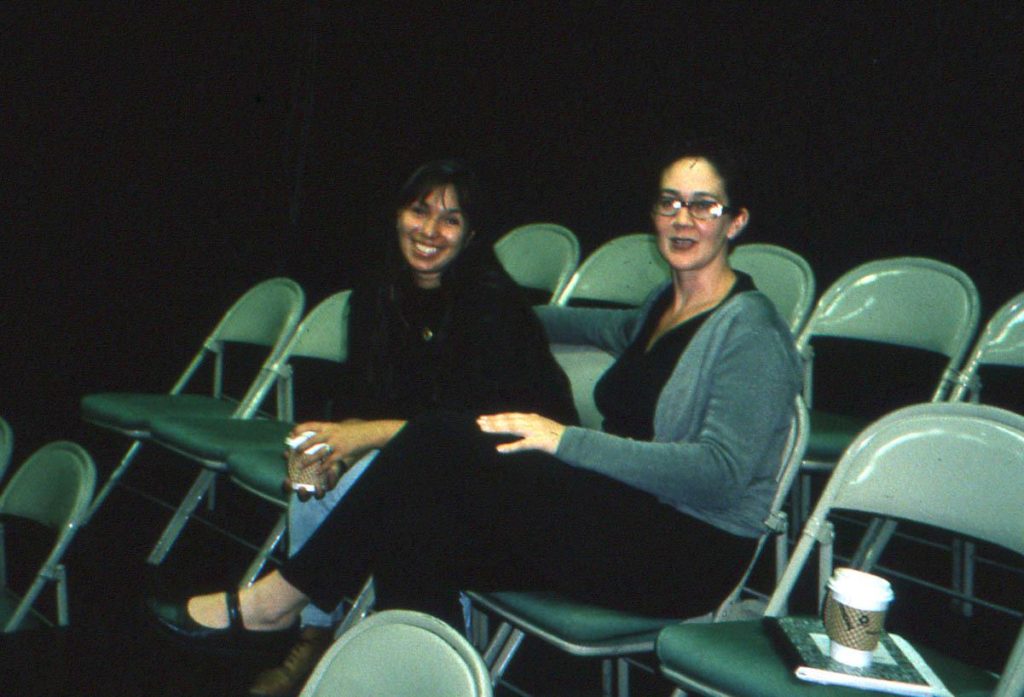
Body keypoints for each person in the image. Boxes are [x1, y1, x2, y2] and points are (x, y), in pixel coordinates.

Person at [150, 146, 803, 657]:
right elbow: (562, 320)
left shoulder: (753, 333)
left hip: (680, 553)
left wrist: (564, 439)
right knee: (414, 524)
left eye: (704, 205)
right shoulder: (660, 309)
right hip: (613, 520)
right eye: (670, 202)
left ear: (736, 220)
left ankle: (280, 596)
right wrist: (477, 300)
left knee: (440, 437)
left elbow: (720, 474)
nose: (682, 219)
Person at [236, 159, 578, 696]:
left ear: (470, 235)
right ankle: (316, 634)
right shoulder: (377, 295)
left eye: (450, 220)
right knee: (311, 451)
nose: (429, 231)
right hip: (419, 451)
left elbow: (462, 432)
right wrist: (333, 451)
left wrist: (359, 437)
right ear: (397, 213)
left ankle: (420, 652)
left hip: (509, 472)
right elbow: (364, 403)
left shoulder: (491, 306)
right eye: (419, 211)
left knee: (390, 491)